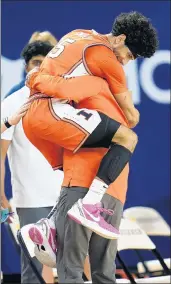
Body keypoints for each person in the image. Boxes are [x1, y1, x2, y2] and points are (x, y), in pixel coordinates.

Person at [24, 11, 158, 239]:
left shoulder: (78, 34)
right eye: (129, 55)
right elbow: (132, 117)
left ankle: (49, 226)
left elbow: (49, 72)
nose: (125, 61)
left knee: (76, 175)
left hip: (34, 115)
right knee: (128, 138)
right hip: (51, 112)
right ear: (120, 39)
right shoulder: (108, 59)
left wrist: (36, 77)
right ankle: (91, 205)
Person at [1, 40, 63, 284]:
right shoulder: (12, 103)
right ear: (26, 67)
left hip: (65, 195)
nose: (41, 68)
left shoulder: (62, 100)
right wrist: (1, 194)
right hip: (31, 199)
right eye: (36, 63)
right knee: (35, 270)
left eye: (46, 63)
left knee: (71, 264)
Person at [5, 31, 58, 98]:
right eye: (37, 62)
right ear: (26, 67)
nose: (41, 67)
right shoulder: (13, 96)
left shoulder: (66, 94)